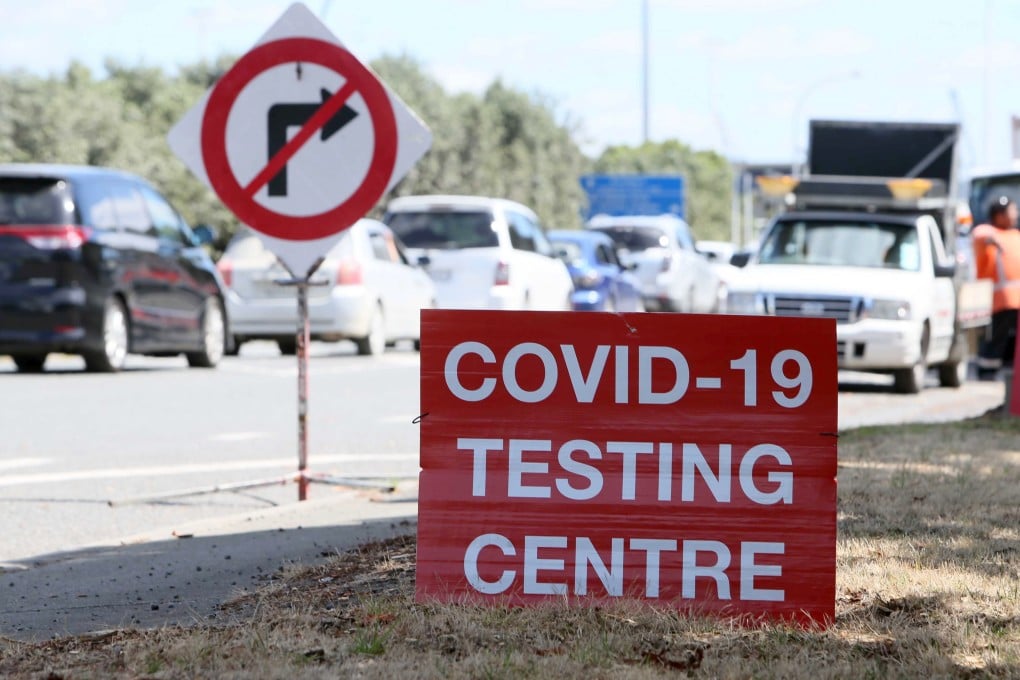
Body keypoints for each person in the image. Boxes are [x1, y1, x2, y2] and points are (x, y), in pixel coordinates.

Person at [972, 195, 1020, 378]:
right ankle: (986, 373)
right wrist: (993, 238)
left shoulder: (1014, 235)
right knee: (995, 340)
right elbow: (979, 233)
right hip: (1001, 301)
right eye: (1012, 210)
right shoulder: (988, 233)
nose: (1016, 214)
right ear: (999, 215)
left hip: (1015, 301)